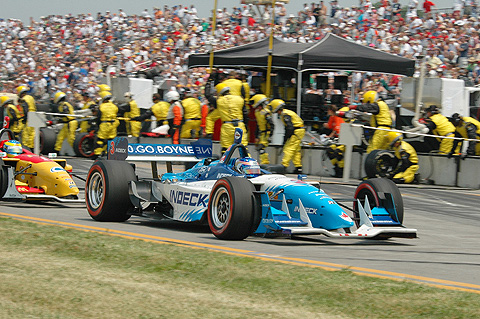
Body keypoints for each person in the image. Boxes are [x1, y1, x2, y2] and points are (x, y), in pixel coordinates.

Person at [272, 101, 305, 174]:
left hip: (296, 131)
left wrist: (286, 138)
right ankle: (298, 167)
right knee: (295, 150)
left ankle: (283, 166)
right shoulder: (287, 112)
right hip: (299, 130)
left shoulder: (285, 114)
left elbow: (289, 128)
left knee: (288, 149)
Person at [216, 83, 248, 153]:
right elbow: (245, 113)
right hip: (240, 125)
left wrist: (210, 80)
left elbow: (208, 96)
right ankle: (249, 162)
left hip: (227, 126)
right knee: (243, 147)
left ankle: (224, 163)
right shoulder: (240, 99)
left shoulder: (219, 101)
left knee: (225, 148)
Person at [93, 91, 119, 157]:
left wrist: (97, 125)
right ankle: (108, 153)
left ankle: (97, 154)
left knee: (100, 140)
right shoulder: (114, 106)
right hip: (113, 125)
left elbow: (99, 117)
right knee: (110, 140)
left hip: (104, 125)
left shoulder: (102, 106)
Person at [324, 105, 345, 177]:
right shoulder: (331, 118)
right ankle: (336, 167)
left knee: (338, 152)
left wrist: (330, 136)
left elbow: (336, 129)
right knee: (329, 150)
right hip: (337, 140)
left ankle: (341, 169)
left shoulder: (337, 117)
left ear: (330, 110)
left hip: (343, 140)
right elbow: (330, 126)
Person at [252, 94, 274, 164]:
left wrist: (270, 135)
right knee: (259, 148)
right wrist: (256, 136)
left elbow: (271, 124)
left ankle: (265, 163)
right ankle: (263, 162)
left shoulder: (266, 112)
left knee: (261, 148)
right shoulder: (257, 112)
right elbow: (258, 125)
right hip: (261, 133)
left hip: (266, 133)